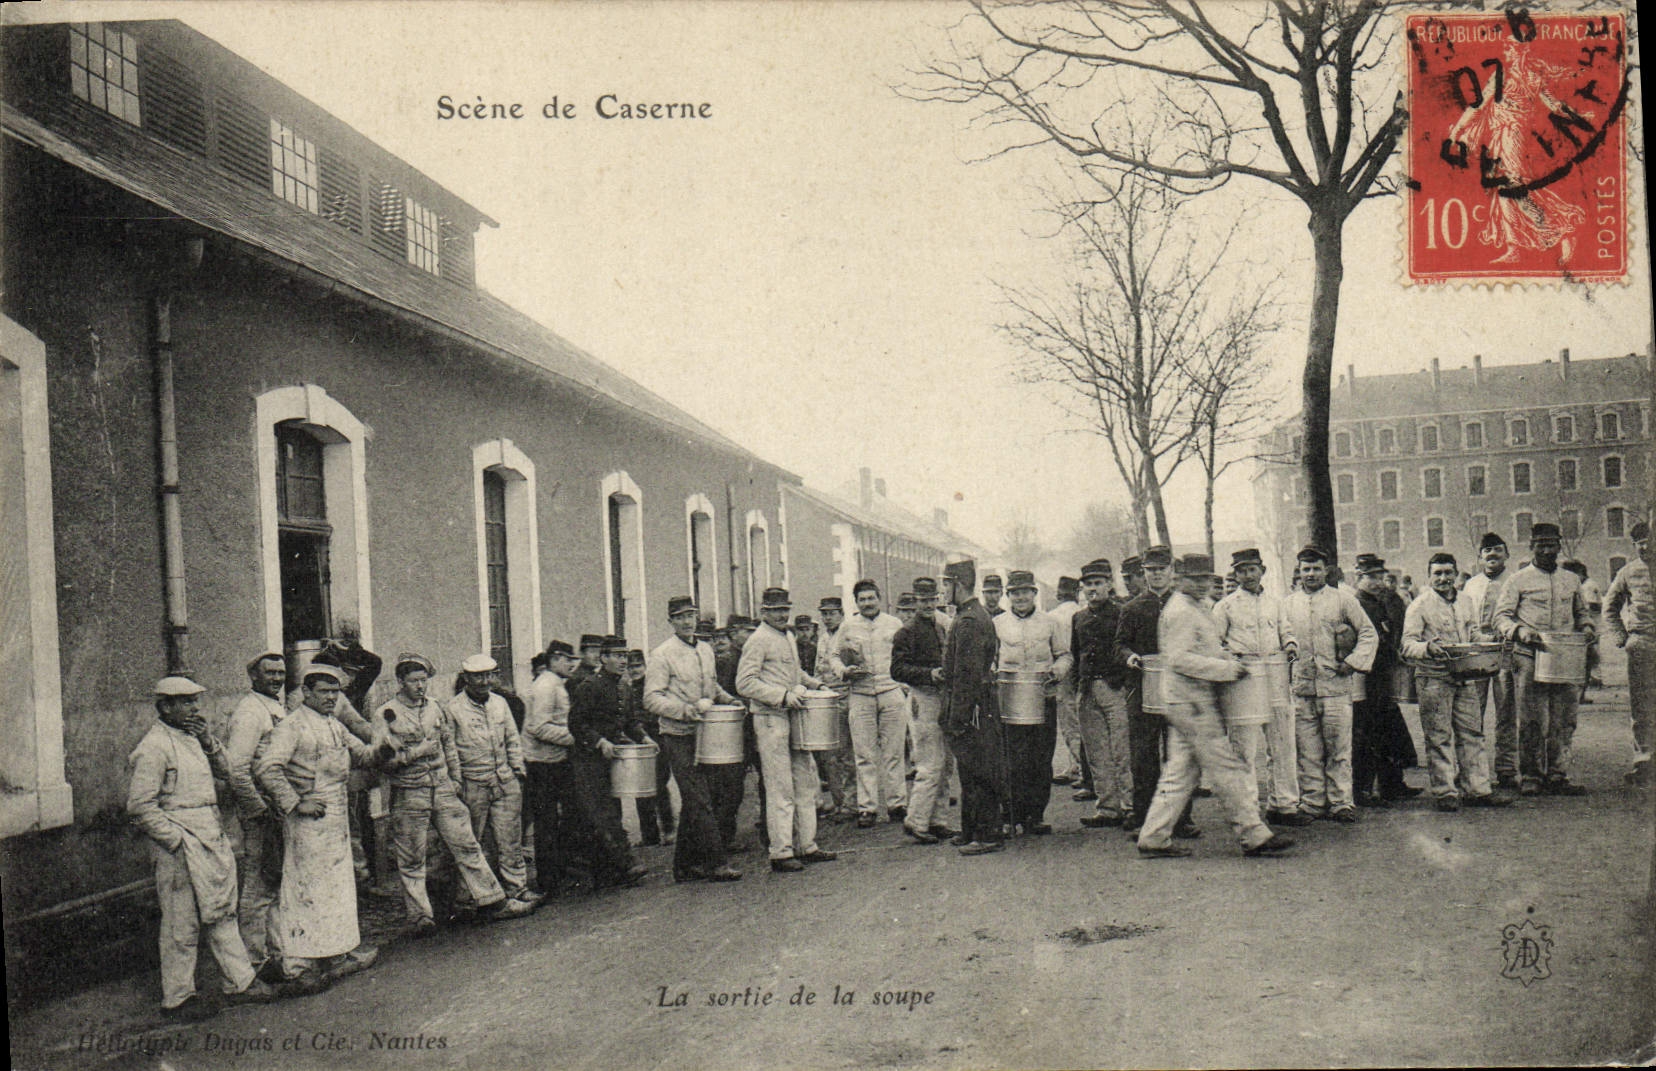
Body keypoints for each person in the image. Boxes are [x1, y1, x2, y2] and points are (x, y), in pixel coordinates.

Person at [130, 676, 276, 1019]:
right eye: (186, 702)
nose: (194, 708)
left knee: (221, 910)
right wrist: (175, 840)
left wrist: (209, 740)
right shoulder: (154, 746)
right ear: (165, 707)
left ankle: (240, 982)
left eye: (195, 701)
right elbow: (139, 807)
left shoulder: (194, 738)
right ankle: (178, 998)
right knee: (182, 921)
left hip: (209, 835)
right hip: (179, 841)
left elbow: (228, 772)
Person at [1137, 556, 1295, 859]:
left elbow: (1200, 650)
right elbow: (1179, 659)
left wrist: (1224, 659)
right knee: (1227, 768)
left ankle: (1153, 836)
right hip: (1192, 702)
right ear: (1180, 579)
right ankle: (1254, 834)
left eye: (1206, 578)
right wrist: (1227, 670)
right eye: (1195, 579)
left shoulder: (1196, 606)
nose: (1202, 583)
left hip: (1188, 701)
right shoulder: (1183, 610)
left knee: (1181, 773)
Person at [254, 664, 394, 991]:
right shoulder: (292, 726)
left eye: (335, 692)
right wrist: (295, 801)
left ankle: (337, 954)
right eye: (324, 692)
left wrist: (384, 748)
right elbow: (267, 769)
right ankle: (298, 966)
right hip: (307, 820)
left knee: (337, 887)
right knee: (305, 890)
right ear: (306, 693)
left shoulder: (333, 725)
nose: (331, 698)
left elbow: (362, 755)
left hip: (335, 816)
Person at [379, 654, 530, 929]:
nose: (420, 686)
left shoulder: (435, 708)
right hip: (410, 791)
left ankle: (493, 900)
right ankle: (420, 917)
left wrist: (456, 779)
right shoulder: (387, 713)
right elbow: (382, 761)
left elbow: (448, 744)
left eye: (423, 680)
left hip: (442, 788)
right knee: (413, 858)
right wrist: (413, 754)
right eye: (413, 681)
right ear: (400, 682)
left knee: (468, 845)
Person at [1402, 554, 1513, 811]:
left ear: (1455, 574)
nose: (1443, 578)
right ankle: (1445, 792)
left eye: (1448, 573)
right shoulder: (1419, 606)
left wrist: (1491, 641)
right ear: (1429, 576)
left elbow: (1472, 634)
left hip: (1465, 677)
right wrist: (1427, 647)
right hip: (1433, 678)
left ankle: (1477, 789)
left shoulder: (1466, 601)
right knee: (1439, 736)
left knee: (1472, 733)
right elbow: (1407, 645)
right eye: (1438, 573)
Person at [737, 588, 838, 872]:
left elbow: (794, 674)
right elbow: (744, 683)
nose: (782, 614)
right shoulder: (758, 640)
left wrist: (815, 684)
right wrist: (781, 696)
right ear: (763, 612)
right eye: (776, 610)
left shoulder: (788, 636)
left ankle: (807, 845)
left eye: (785, 609)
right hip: (771, 719)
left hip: (794, 716)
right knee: (780, 786)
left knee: (805, 780)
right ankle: (781, 852)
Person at [644, 597, 743, 883]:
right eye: (680, 617)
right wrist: (684, 711)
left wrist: (729, 700)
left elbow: (710, 686)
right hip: (677, 736)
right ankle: (716, 863)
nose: (687, 622)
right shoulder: (662, 654)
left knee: (698, 799)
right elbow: (651, 698)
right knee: (699, 798)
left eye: (691, 615)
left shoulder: (704, 649)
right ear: (671, 622)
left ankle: (685, 866)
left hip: (707, 734)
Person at [1494, 522, 1595, 796]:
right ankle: (1531, 774)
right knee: (1532, 719)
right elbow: (1501, 617)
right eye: (1541, 545)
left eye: (1552, 545)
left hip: (1565, 655)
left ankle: (1558, 773)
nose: (1547, 550)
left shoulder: (1571, 580)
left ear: (1559, 546)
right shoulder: (1518, 580)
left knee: (1565, 718)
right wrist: (1521, 631)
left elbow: (1582, 614)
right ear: (1531, 547)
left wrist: (1587, 628)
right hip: (1529, 655)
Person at [1211, 549, 1309, 827]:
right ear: (1235, 574)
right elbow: (1214, 645)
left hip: (1275, 675)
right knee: (1243, 747)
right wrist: (1230, 658)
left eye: (1252, 569)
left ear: (1262, 570)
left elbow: (1286, 631)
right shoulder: (1225, 606)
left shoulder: (1275, 604)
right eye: (1241, 570)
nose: (1247, 575)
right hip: (1243, 680)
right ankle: (1247, 810)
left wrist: (1290, 645)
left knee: (1283, 742)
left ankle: (1284, 805)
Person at [1283, 546, 1377, 822]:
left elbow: (1369, 634)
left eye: (1316, 568)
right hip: (1302, 689)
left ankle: (1341, 802)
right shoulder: (1288, 604)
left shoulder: (1343, 600)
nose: (1310, 574)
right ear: (1299, 572)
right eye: (1305, 569)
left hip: (1335, 687)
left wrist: (1351, 662)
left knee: (1338, 747)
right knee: (1307, 748)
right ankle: (1312, 801)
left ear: (1326, 571)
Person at [1117, 546, 1197, 838]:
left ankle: (1181, 819)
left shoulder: (1185, 606)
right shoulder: (1132, 608)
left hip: (1179, 688)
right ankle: (1144, 819)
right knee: (1143, 756)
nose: (1156, 575)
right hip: (1143, 690)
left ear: (1172, 571)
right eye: (1150, 571)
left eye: (1161, 569)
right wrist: (1129, 656)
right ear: (1144, 574)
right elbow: (1120, 644)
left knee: (1179, 754)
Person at [445, 655, 537, 904]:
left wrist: (518, 771)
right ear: (466, 678)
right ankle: (472, 896)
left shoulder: (500, 703)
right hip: (473, 782)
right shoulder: (453, 708)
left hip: (505, 779)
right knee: (472, 842)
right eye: (478, 676)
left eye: (489, 675)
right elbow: (450, 749)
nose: (485, 681)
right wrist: (457, 781)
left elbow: (512, 739)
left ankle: (517, 888)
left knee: (510, 838)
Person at [223, 652, 289, 973]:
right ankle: (255, 959)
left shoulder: (275, 706)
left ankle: (278, 954)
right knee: (257, 886)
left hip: (277, 809)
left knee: (274, 884)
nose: (276, 679)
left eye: (280, 673)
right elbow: (236, 769)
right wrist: (258, 810)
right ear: (253, 677)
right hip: (262, 812)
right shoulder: (250, 712)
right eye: (270, 673)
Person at [568, 637, 651, 887]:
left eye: (624, 655)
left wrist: (644, 738)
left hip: (612, 760)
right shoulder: (590, 686)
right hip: (588, 761)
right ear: (603, 658)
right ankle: (624, 864)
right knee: (601, 814)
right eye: (616, 655)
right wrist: (600, 741)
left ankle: (607, 872)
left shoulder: (624, 687)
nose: (623, 660)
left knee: (608, 812)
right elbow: (576, 724)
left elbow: (630, 721)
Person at [994, 570, 1072, 835]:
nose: (1021, 597)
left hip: (1043, 698)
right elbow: (991, 660)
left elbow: (1064, 656)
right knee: (1011, 758)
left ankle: (1034, 815)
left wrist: (1058, 671)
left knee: (1040, 758)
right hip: (1010, 700)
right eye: (1015, 592)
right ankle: (1010, 814)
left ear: (1034, 594)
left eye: (1026, 591)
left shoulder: (1050, 622)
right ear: (1008, 596)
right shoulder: (998, 624)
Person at [939, 559, 1006, 855]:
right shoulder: (971, 615)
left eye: (945, 583)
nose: (943, 589)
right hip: (976, 705)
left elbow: (966, 676)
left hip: (973, 707)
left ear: (958, 584)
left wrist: (958, 718)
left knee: (979, 770)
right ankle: (971, 830)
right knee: (970, 771)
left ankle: (988, 834)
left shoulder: (969, 621)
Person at [834, 579, 910, 828]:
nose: (867, 603)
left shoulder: (894, 624)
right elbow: (833, 656)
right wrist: (844, 671)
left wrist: (903, 684)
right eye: (862, 599)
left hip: (890, 691)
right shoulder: (847, 626)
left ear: (879, 599)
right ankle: (867, 808)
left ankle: (897, 804)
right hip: (861, 694)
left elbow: (906, 654)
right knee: (864, 753)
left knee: (894, 751)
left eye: (871, 598)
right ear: (856, 603)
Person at [891, 576, 956, 844]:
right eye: (923, 600)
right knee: (930, 763)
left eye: (932, 599)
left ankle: (937, 819)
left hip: (942, 697)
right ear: (915, 601)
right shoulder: (906, 632)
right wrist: (930, 674)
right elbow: (897, 670)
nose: (928, 604)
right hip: (923, 698)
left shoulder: (942, 626)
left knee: (946, 762)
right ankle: (916, 821)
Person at [1072, 559, 1133, 829]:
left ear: (1110, 584)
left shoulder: (1121, 613)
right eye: (1088, 584)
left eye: (1098, 583)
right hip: (1088, 689)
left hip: (1114, 688)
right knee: (1097, 752)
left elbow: (1126, 648)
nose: (1093, 589)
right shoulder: (1079, 618)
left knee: (1122, 749)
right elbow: (1076, 654)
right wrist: (1079, 686)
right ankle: (1108, 807)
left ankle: (1130, 806)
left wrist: (1120, 683)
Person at [1352, 555, 1415, 806]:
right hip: (1365, 678)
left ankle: (1393, 784)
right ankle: (1364, 790)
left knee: (1389, 729)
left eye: (1379, 576)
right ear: (1358, 577)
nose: (1377, 581)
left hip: (1382, 676)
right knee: (1367, 733)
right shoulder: (1355, 603)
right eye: (1371, 577)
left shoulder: (1382, 601)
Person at [523, 640, 585, 894]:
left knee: (563, 816)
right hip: (541, 764)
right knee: (546, 821)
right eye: (568, 660)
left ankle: (560, 871)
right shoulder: (546, 686)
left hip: (555, 760)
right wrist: (575, 737)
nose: (572, 665)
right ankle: (548, 880)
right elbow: (538, 727)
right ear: (556, 659)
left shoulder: (555, 683)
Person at [1459, 532, 1519, 789]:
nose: (1492, 555)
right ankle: (1472, 769)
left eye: (1497, 550)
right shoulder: (1471, 584)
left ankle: (1506, 768)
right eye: (1487, 551)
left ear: (1507, 554)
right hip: (1478, 652)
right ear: (1480, 556)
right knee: (1473, 711)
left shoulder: (1515, 581)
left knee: (1506, 710)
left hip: (1507, 650)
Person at [1605, 521, 1654, 785]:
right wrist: (1622, 638)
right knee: (1642, 704)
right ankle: (1644, 759)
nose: (1645, 546)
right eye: (1639, 543)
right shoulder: (1628, 572)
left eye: (1649, 540)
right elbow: (1610, 608)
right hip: (1642, 645)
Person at [712, 615, 759, 852]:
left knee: (746, 782)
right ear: (735, 633)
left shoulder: (744, 654)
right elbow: (720, 694)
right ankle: (724, 836)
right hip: (735, 727)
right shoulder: (729, 660)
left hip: (750, 726)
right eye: (746, 631)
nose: (750, 635)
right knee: (731, 785)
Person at [627, 647, 676, 847]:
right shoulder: (627, 689)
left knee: (658, 785)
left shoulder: (651, 687)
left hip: (658, 740)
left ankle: (669, 829)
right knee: (640, 788)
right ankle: (649, 835)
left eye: (637, 666)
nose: (634, 670)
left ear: (645, 666)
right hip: (639, 742)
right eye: (630, 667)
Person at [814, 596, 855, 821]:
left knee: (845, 753)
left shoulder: (847, 635)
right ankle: (839, 801)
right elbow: (818, 669)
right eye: (824, 613)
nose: (827, 617)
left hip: (844, 696)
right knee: (828, 755)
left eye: (831, 613)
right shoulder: (822, 638)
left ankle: (851, 802)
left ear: (841, 614)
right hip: (826, 698)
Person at [1047, 576, 1088, 792]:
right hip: (1082, 670)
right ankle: (1077, 765)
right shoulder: (1082, 611)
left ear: (1058, 594)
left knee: (1069, 719)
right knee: (1082, 718)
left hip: (1063, 671)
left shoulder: (1052, 616)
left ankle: (1080, 766)